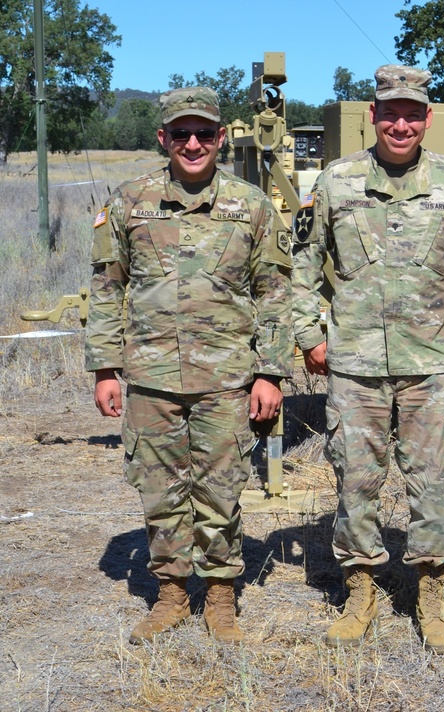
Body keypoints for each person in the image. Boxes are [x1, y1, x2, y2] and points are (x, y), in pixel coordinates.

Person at [290, 65, 444, 654]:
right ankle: (362, 591)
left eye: (412, 113)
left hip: (431, 362)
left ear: (428, 118)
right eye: (389, 112)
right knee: (356, 479)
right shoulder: (335, 182)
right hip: (353, 364)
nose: (400, 123)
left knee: (433, 481)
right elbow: (302, 267)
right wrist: (310, 335)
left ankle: (431, 592)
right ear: (373, 116)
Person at [85, 87, 294, 645]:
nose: (193, 143)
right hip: (150, 377)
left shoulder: (250, 206)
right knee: (159, 489)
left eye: (205, 133)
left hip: (227, 379)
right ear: (164, 139)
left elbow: (275, 294)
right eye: (182, 134)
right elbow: (108, 290)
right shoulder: (130, 201)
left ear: (221, 138)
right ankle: (173, 594)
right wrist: (106, 368)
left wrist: (270, 373)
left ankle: (221, 596)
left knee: (221, 488)